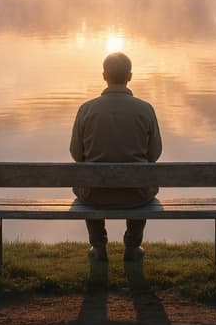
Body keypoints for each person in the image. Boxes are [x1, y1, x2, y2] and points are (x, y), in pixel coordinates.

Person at [69, 51, 163, 261]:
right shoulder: (146, 109)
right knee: (144, 179)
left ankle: (98, 246)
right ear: (130, 76)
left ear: (104, 76)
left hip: (94, 195)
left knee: (86, 180)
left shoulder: (86, 110)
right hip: (136, 195)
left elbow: (76, 154)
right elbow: (154, 154)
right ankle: (132, 246)